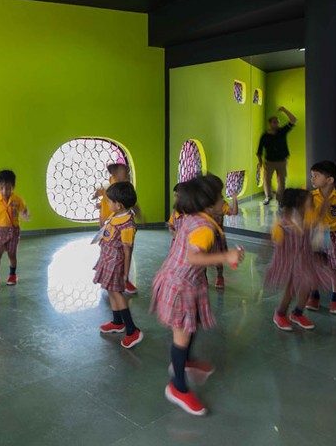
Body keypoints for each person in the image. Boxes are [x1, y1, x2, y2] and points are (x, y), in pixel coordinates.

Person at [150, 175, 244, 416]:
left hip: (184, 281)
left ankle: (186, 361)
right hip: (180, 286)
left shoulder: (194, 217)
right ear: (209, 203)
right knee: (182, 335)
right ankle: (177, 387)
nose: (223, 200)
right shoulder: (204, 228)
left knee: (189, 327)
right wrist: (227, 256)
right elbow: (194, 257)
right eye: (220, 196)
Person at [265, 188, 334, 331]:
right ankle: (280, 313)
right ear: (299, 205)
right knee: (291, 289)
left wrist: (326, 201)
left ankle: (297, 313)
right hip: (291, 262)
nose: (313, 205)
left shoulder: (308, 219)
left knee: (307, 286)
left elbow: (319, 217)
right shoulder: (285, 223)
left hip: (306, 260)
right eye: (310, 203)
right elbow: (274, 240)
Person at [93, 181, 144, 348]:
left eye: (109, 201)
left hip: (116, 263)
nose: (107, 204)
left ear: (119, 205)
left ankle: (132, 330)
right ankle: (117, 322)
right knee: (110, 290)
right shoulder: (116, 215)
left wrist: (125, 274)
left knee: (117, 294)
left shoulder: (127, 225)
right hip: (107, 259)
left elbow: (128, 251)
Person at [306, 161, 336, 315]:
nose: (312, 179)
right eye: (312, 176)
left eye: (316, 176)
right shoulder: (311, 196)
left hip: (335, 235)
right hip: (317, 235)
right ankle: (314, 295)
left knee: (334, 269)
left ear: (330, 180)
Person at [93, 163, 138, 294]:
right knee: (108, 249)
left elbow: (132, 204)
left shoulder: (125, 188)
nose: (127, 174)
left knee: (121, 253)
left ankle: (122, 279)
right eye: (124, 172)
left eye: (127, 172)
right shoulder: (111, 183)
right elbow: (105, 196)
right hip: (109, 219)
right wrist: (100, 203)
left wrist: (138, 212)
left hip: (118, 221)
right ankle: (109, 277)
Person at [0, 170, 29, 289]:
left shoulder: (17, 199)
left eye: (8, 188)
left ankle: (12, 275)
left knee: (12, 255)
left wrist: (25, 214)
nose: (5, 191)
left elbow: (23, 209)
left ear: (13, 187)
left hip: (13, 231)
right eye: (1, 188)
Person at [257, 106, 297, 205]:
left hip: (282, 161)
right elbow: (259, 150)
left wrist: (284, 110)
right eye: (274, 122)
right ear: (270, 123)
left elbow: (293, 120)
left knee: (281, 181)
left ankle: (280, 199)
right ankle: (268, 196)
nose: (276, 124)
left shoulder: (282, 132)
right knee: (266, 180)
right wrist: (260, 162)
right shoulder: (265, 136)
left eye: (278, 122)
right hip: (269, 162)